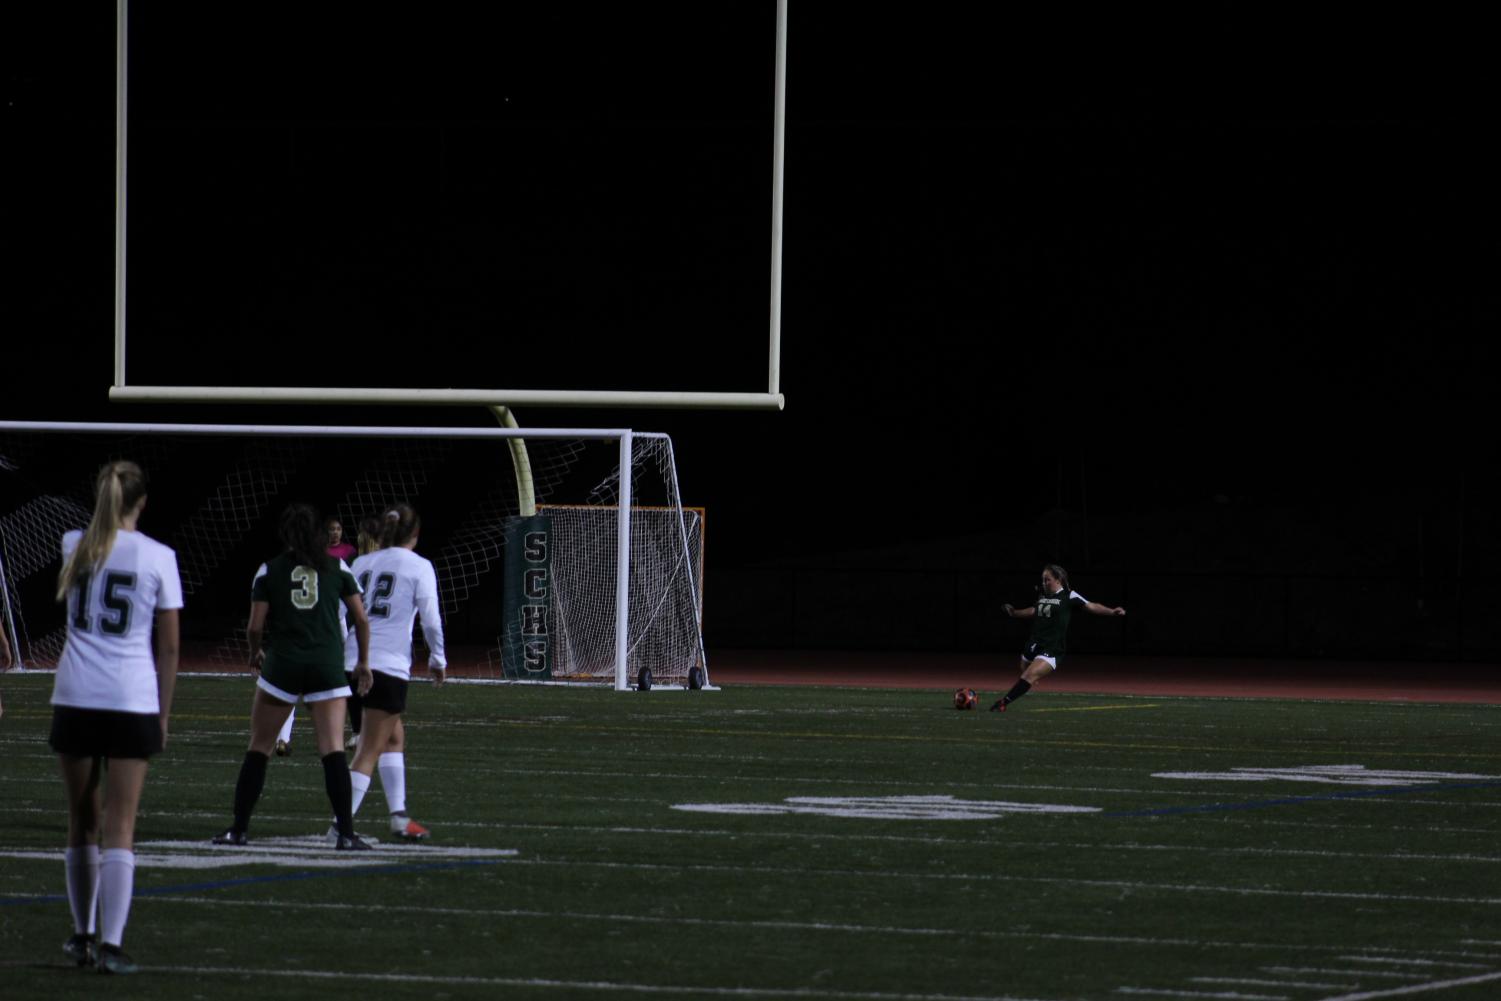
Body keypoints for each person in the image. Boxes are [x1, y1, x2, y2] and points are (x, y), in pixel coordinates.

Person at [49, 461, 182, 974]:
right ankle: (110, 943)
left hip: (76, 693)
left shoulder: (72, 544)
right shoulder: (159, 557)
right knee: (119, 824)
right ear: (142, 502)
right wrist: (163, 715)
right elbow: (168, 648)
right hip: (130, 699)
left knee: (81, 820)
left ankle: (81, 935)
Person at [213, 503, 372, 849]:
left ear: (285, 534)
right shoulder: (337, 565)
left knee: (259, 747)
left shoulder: (269, 569)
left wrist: (255, 651)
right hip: (327, 665)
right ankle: (345, 833)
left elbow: (255, 626)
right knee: (332, 750)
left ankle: (238, 829)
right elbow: (360, 618)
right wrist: (363, 661)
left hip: (283, 664)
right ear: (317, 533)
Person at [334, 503, 446, 843]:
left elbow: (339, 611)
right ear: (415, 534)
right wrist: (438, 658)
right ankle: (340, 827)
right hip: (386, 664)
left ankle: (399, 816)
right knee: (368, 748)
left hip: (353, 661)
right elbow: (430, 618)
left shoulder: (362, 562)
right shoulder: (419, 566)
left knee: (393, 736)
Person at [273, 517, 360, 757]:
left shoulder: (278, 567)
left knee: (286, 694)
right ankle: (337, 742)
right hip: (323, 639)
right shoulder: (332, 566)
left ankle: (282, 738)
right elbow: (353, 609)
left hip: (291, 640)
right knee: (331, 693)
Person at [991, 564, 1124, 712]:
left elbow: (1091, 606)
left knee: (1029, 674)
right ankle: (1026, 683)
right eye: (1042, 580)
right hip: (1034, 643)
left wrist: (1112, 611)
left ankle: (1003, 702)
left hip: (1053, 647)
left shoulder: (1069, 595)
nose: (1044, 583)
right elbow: (1034, 610)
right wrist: (1015, 613)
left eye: (1047, 580)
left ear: (1058, 580)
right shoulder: (1044, 595)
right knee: (1024, 669)